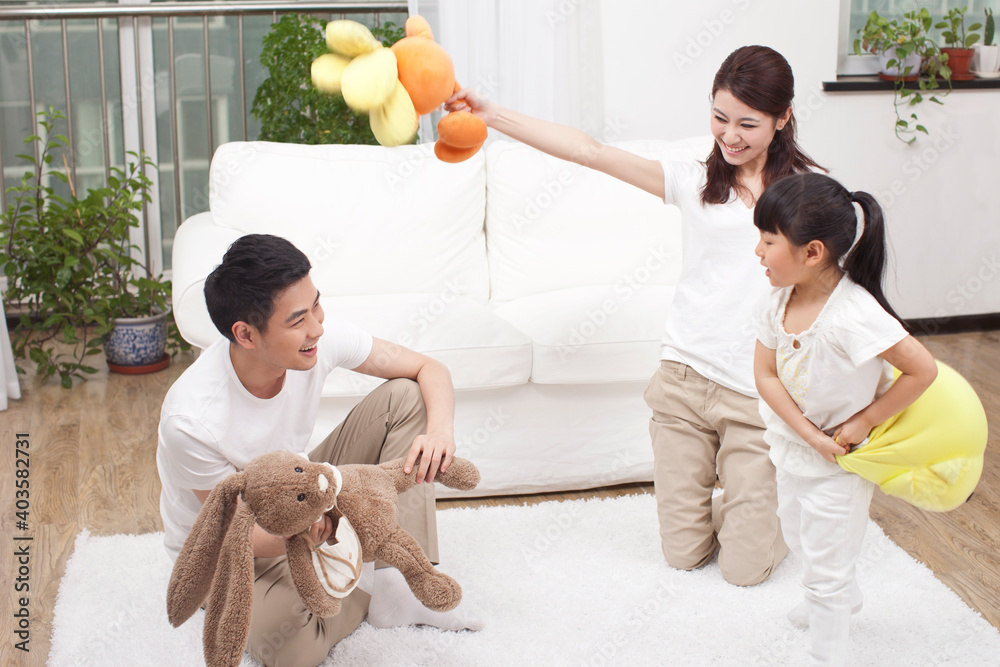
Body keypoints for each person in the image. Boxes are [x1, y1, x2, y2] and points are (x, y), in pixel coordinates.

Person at [446, 45, 818, 585]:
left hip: (757, 394)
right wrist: (492, 114)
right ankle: (743, 506)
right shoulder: (695, 182)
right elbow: (590, 152)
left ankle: (764, 510)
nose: (729, 135)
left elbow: (828, 295)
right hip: (684, 384)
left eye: (748, 123)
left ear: (782, 119)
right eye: (719, 118)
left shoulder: (809, 195)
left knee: (744, 571)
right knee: (684, 556)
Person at [156, 234, 479, 667]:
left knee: (407, 396)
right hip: (234, 548)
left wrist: (440, 431)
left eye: (316, 305)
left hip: (304, 488)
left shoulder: (316, 342)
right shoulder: (192, 421)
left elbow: (428, 369)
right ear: (246, 334)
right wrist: (320, 532)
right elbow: (238, 532)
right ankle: (359, 577)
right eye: (297, 320)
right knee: (294, 651)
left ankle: (396, 586)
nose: (317, 327)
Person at [751, 172, 937, 666]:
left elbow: (922, 369)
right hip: (794, 446)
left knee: (829, 555)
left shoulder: (855, 314)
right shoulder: (776, 302)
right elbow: (766, 375)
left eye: (769, 241)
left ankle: (828, 642)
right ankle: (831, 597)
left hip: (840, 461)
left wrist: (863, 422)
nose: (758, 252)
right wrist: (807, 433)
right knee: (797, 532)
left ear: (812, 252)